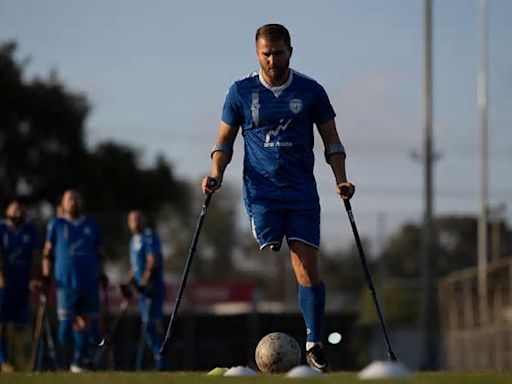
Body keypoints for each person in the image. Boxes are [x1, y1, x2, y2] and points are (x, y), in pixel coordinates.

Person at [201, 24, 355, 372]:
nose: (272, 59)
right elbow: (223, 141)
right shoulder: (240, 91)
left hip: (301, 191)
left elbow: (333, 140)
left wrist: (342, 180)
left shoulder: (311, 91)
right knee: (270, 241)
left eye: (278, 52)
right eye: (265, 53)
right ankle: (274, 236)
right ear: (257, 54)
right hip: (262, 191)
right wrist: (215, 173)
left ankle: (314, 342)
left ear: (290, 51)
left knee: (307, 267)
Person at [41, 189, 106, 372]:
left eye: (76, 198)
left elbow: (99, 253)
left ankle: (78, 361)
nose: (73, 202)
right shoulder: (56, 224)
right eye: (69, 199)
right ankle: (63, 361)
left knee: (85, 322)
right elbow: (47, 252)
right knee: (65, 327)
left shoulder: (91, 224)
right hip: (66, 283)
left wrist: (102, 274)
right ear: (63, 204)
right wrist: (46, 276)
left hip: (88, 282)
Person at [0, 200, 40, 372]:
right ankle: (3, 361)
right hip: (3, 284)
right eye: (14, 209)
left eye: (20, 209)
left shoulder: (30, 230)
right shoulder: (1, 229)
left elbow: (36, 256)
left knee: (22, 326)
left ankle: (24, 361)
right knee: (1, 324)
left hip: (23, 284)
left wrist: (34, 278)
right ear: (7, 211)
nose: (18, 212)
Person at [125, 210, 165, 371]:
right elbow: (135, 268)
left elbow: (152, 262)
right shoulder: (133, 241)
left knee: (151, 325)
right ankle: (157, 358)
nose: (136, 223)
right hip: (142, 291)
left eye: (138, 219)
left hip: (152, 289)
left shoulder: (149, 236)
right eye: (133, 220)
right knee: (147, 327)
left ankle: (161, 361)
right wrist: (128, 284)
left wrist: (143, 283)